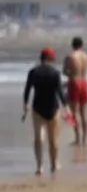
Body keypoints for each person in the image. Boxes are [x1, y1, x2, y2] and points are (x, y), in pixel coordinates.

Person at [22, 47, 66, 176]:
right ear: (51, 58)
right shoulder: (55, 73)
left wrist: (25, 104)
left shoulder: (33, 72)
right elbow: (60, 92)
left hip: (38, 108)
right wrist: (66, 107)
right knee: (53, 140)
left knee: (38, 138)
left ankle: (39, 166)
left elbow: (27, 89)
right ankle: (54, 164)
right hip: (53, 108)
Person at [62, 37, 87, 145]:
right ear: (82, 45)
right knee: (84, 112)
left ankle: (77, 138)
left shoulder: (70, 56)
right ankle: (85, 139)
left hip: (74, 83)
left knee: (74, 113)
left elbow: (65, 71)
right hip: (84, 83)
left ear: (72, 45)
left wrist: (70, 76)